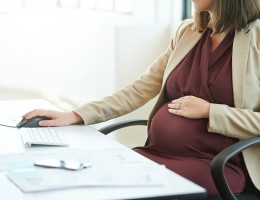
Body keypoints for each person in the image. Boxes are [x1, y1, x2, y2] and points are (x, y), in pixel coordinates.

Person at [23, 0, 260, 197]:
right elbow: (139, 89)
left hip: (214, 164)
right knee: (89, 176)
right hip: (156, 152)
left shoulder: (256, 39)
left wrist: (211, 111)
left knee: (119, 184)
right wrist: (76, 115)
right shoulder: (188, 32)